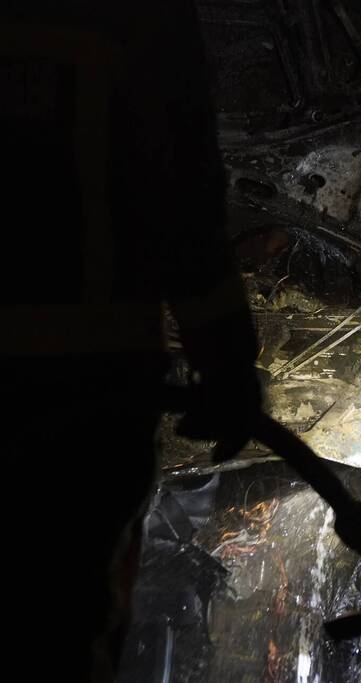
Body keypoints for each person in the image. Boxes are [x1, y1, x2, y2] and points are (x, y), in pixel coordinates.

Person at [2, 2, 262, 679]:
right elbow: (180, 185)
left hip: (80, 389)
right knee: (53, 630)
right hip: (78, 391)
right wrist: (227, 358)